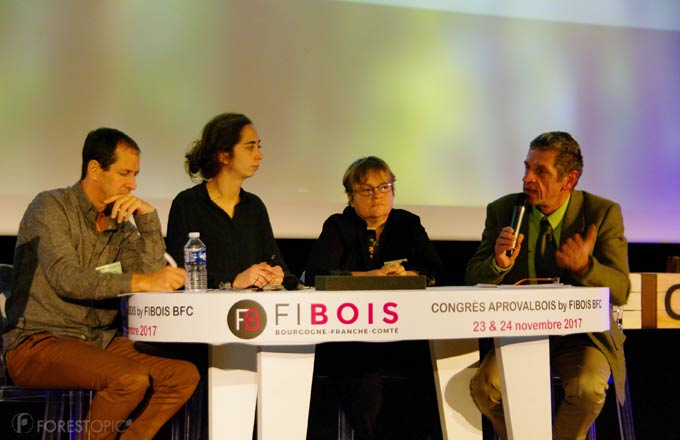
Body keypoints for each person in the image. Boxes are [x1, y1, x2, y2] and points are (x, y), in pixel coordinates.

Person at [1, 127, 200, 440]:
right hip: (38, 341)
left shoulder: (121, 225)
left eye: (135, 174)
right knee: (131, 379)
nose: (132, 184)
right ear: (94, 170)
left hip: (97, 341)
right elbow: (66, 278)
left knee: (182, 375)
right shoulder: (50, 207)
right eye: (124, 173)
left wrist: (148, 220)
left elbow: (151, 279)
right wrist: (145, 280)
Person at [466, 131, 630, 440]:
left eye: (541, 171)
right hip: (521, 330)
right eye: (527, 167)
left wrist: (586, 266)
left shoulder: (601, 213)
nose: (527, 178)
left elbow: (620, 289)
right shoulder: (503, 210)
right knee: (484, 388)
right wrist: (499, 263)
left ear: (569, 180)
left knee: (587, 388)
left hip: (582, 336)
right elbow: (472, 276)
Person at [305, 156, 443, 440]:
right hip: (351, 339)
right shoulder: (338, 226)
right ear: (350, 197)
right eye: (366, 190)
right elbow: (317, 274)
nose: (377, 196)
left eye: (384, 187)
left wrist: (412, 275)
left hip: (405, 336)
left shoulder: (407, 223)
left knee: (427, 383)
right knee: (364, 390)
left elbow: (434, 270)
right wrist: (373, 276)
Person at [166, 112, 288, 290]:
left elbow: (276, 262)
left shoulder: (254, 206)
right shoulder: (187, 203)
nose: (259, 155)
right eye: (250, 147)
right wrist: (233, 281)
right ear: (223, 155)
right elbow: (179, 274)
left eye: (258, 146)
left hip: (252, 312)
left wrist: (278, 275)